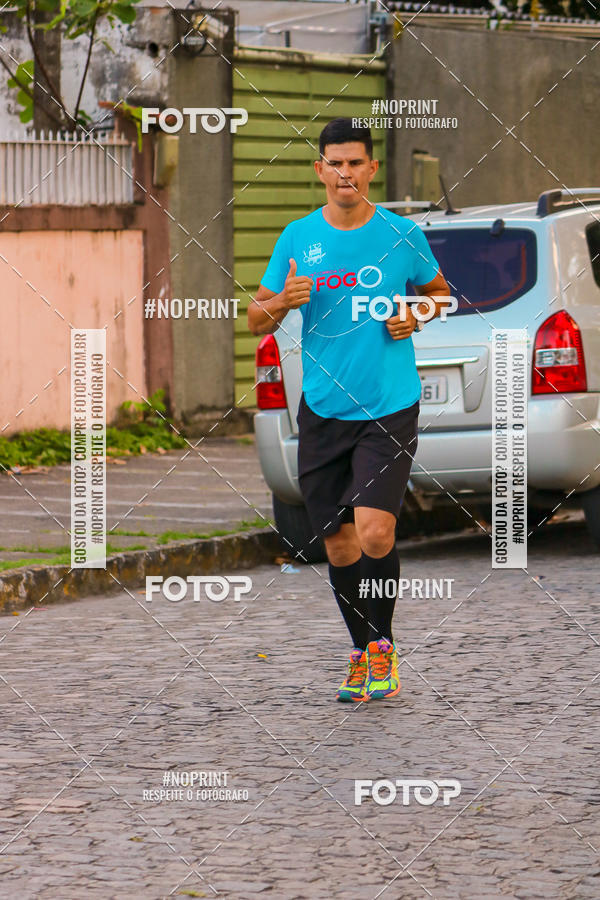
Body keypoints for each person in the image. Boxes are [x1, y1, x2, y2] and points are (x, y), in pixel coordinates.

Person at [248, 117, 451, 702]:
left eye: (354, 163)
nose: (344, 173)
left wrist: (419, 314)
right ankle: (363, 650)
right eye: (334, 163)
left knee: (375, 531)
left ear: (371, 168)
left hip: (388, 406)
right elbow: (256, 318)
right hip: (324, 409)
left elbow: (442, 296)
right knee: (337, 543)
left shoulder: (400, 233)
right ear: (320, 170)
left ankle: (382, 651)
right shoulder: (297, 238)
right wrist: (283, 301)